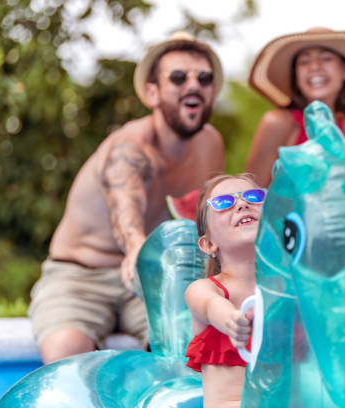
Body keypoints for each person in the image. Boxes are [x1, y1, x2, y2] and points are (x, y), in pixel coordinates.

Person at [28, 31, 225, 364]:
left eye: (203, 78)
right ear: (152, 92)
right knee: (64, 354)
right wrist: (135, 246)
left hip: (155, 274)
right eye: (178, 77)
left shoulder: (210, 144)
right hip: (80, 276)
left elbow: (208, 223)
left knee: (191, 350)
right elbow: (125, 207)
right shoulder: (130, 147)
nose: (193, 85)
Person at [245, 27, 345, 186]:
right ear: (296, 76)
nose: (314, 66)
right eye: (304, 62)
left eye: (326, 58)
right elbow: (250, 190)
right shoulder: (278, 123)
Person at [184, 174, 265, 408]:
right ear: (208, 244)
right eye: (223, 203)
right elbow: (210, 305)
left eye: (254, 197)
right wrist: (231, 319)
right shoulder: (205, 288)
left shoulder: (287, 289)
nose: (242, 204)